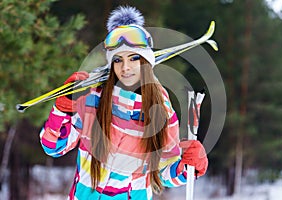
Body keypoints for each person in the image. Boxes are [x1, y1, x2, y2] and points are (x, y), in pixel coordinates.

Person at [39, 5, 208, 200]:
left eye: (134, 58)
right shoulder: (94, 99)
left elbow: (163, 173)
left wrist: (188, 166)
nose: (125, 67)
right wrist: (63, 110)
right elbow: (54, 147)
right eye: (118, 60)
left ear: (146, 61)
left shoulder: (161, 108)